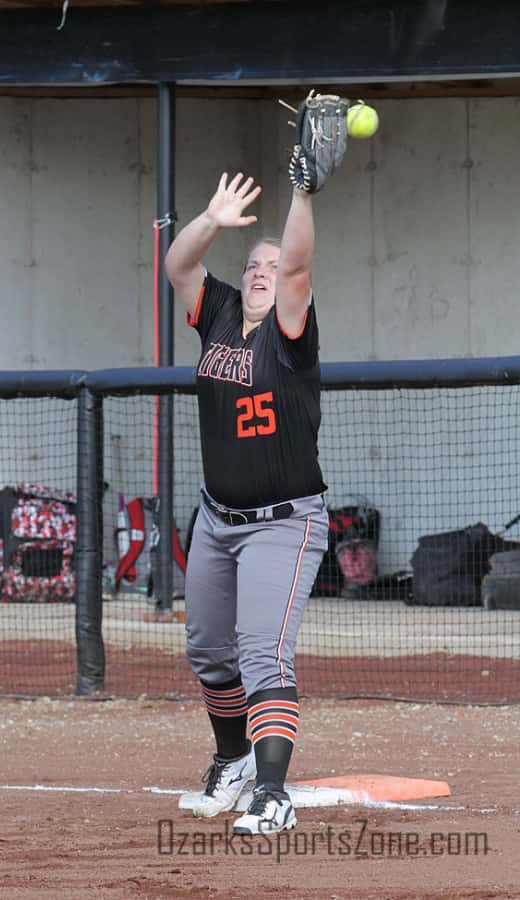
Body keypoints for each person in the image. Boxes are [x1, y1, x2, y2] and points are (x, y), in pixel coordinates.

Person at [165, 171, 329, 835]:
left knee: (264, 654)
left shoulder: (290, 330)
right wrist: (209, 218)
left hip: (282, 522)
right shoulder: (221, 313)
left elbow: (296, 263)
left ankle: (272, 794)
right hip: (216, 518)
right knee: (208, 650)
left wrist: (305, 193)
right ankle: (231, 761)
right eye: (252, 264)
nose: (263, 270)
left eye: (271, 265)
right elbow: (178, 264)